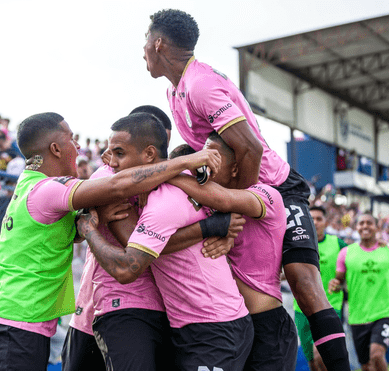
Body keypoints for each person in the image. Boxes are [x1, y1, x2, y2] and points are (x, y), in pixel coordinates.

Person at [142, 9, 350, 370]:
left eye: (144, 41)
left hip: (275, 186)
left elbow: (249, 149)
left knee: (303, 284)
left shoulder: (202, 85)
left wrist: (230, 214)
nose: (142, 50)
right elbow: (202, 150)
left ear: (158, 43)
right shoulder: (174, 91)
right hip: (235, 188)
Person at [0, 112, 221, 371]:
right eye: (72, 139)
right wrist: (187, 161)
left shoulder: (31, 186)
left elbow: (70, 233)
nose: (78, 146)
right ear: (56, 148)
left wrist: (95, 221)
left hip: (17, 325)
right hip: (15, 327)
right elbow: (117, 187)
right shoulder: (47, 190)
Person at [63, 114, 237, 371]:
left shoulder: (172, 182)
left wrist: (226, 226)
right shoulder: (108, 176)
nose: (111, 159)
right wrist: (207, 228)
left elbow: (227, 200)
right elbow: (134, 252)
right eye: (113, 151)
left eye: (119, 152)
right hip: (116, 306)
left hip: (167, 311)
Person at [165, 132, 298, 371]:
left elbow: (226, 199)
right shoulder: (207, 206)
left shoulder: (266, 194)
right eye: (202, 153)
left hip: (268, 327)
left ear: (235, 169)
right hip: (229, 328)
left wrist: (169, 173)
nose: (204, 160)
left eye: (212, 155)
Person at [329, 214, 389, 371]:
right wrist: (335, 285)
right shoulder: (346, 253)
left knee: (377, 355)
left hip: (384, 313)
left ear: (377, 227)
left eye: (369, 223)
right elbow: (339, 281)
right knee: (366, 365)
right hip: (357, 317)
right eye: (361, 223)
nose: (365, 226)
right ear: (356, 227)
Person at [291, 206, 347, 371]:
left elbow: (350, 273)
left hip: (330, 306)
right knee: (312, 362)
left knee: (320, 355)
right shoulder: (296, 243)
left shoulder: (338, 244)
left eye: (319, 219)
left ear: (326, 222)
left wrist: (340, 285)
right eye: (311, 218)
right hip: (302, 308)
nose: (315, 222)